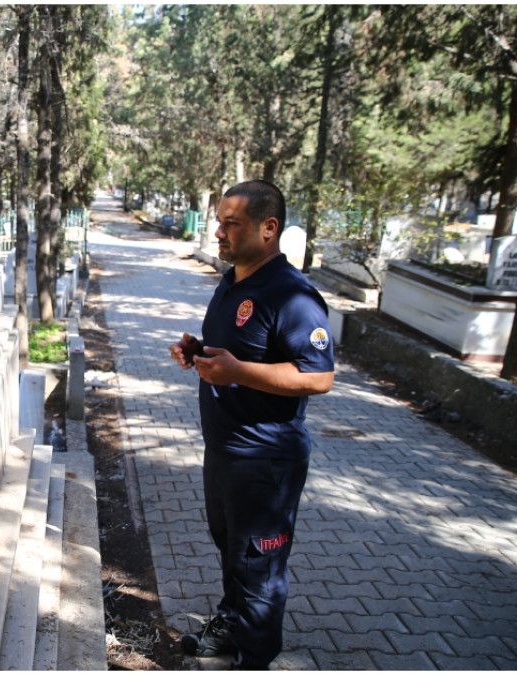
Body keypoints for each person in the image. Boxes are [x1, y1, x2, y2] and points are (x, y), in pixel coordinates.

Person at [169, 179, 334, 669]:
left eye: (231, 223)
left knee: (259, 565)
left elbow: (319, 377)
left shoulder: (293, 295)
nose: (218, 232)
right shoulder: (232, 281)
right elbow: (240, 351)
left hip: (266, 459)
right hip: (225, 450)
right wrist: (198, 351)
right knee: (233, 550)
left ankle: (256, 657)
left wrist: (237, 371)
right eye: (219, 222)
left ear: (268, 228)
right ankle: (232, 624)